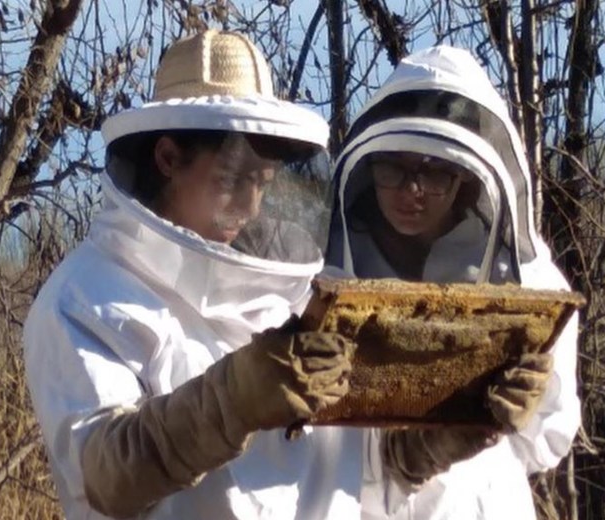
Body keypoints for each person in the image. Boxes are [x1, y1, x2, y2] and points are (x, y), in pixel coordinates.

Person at [23, 30, 362, 519]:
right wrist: (234, 400)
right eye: (231, 179)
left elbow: (340, 475)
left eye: (262, 184)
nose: (249, 206)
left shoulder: (289, 296)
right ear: (167, 158)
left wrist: (425, 448)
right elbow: (105, 474)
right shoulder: (84, 298)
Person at [326, 46, 582, 519]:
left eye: (434, 172)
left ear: (466, 177)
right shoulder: (331, 275)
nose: (411, 190)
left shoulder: (532, 282)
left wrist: (518, 406)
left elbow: (547, 439)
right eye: (393, 168)